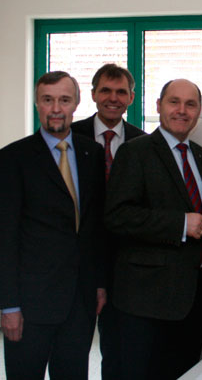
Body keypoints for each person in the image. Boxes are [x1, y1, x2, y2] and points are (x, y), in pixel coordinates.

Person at [103, 79, 202, 380]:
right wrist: (180, 223)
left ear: (199, 111)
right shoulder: (135, 152)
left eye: (190, 104)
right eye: (174, 102)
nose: (182, 110)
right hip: (146, 299)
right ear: (159, 106)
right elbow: (117, 216)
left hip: (192, 299)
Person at [0, 71, 107, 380]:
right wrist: (8, 305)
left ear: (76, 104)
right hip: (30, 303)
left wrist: (98, 283)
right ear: (37, 104)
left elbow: (94, 227)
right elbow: (5, 234)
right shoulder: (14, 157)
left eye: (64, 100)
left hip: (80, 301)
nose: (56, 108)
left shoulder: (92, 153)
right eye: (47, 100)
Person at [70, 63, 145, 379]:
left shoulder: (144, 143)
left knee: (118, 349)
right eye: (106, 91)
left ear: (131, 98)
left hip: (124, 263)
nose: (113, 98)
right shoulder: (70, 136)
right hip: (78, 261)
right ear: (93, 94)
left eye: (120, 92)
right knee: (72, 350)